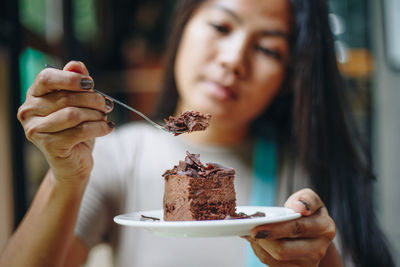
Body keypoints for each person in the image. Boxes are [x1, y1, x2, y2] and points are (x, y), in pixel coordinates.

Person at [0, 0, 395, 266]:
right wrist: (65, 176)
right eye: (222, 26)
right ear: (183, 25)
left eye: (269, 50)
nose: (233, 60)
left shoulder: (307, 177)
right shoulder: (115, 155)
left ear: (291, 77)